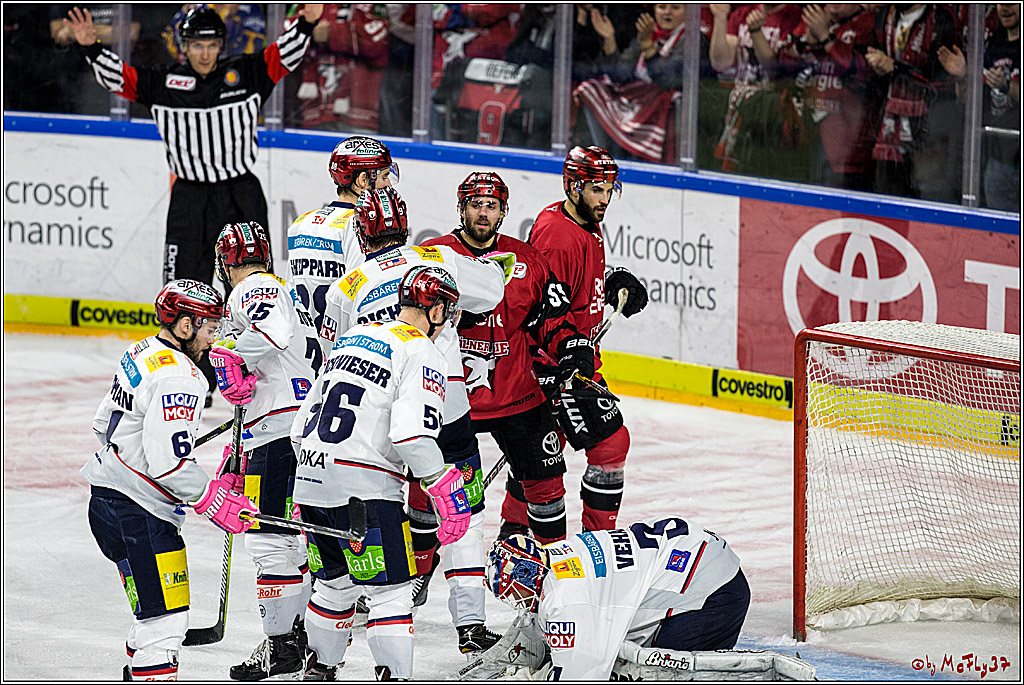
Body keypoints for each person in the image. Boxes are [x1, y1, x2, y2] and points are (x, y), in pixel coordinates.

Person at [317, 186, 508, 655]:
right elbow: (494, 290)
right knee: (467, 512)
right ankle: (470, 627)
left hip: (377, 418)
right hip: (445, 411)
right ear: (405, 223)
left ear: (361, 233)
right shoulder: (436, 258)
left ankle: (365, 593)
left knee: (378, 508)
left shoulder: (348, 287)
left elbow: (335, 355)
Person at [292, 266, 474, 681]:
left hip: (310, 481)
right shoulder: (422, 351)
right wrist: (444, 486)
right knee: (390, 594)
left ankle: (318, 670)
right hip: (365, 490)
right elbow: (411, 436)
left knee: (334, 588)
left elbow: (297, 427)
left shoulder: (352, 338)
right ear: (438, 310)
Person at [63, 4, 323, 289]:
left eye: (212, 45)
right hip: (190, 198)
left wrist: (306, 24)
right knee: (183, 288)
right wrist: (93, 49)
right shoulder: (163, 84)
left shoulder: (247, 73)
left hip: (240, 196)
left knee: (253, 287)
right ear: (184, 45)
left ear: (221, 45)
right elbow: (120, 78)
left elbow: (284, 55)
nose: (205, 54)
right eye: (197, 45)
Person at [81, 279, 259, 681]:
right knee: (165, 626)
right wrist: (213, 499)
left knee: (151, 612)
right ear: (184, 326)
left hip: (107, 501)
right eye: (209, 329)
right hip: (139, 515)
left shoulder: (141, 350)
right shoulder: (181, 378)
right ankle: (148, 662)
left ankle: (139, 663)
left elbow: (101, 424)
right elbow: (170, 466)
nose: (214, 340)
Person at [422, 172, 590, 550]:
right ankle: (416, 574)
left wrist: (571, 346)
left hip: (517, 394)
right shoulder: (433, 256)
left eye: (492, 206)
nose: (484, 213)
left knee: (547, 487)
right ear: (462, 208)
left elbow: (553, 319)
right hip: (450, 397)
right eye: (476, 204)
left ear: (503, 212)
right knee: (426, 489)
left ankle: (557, 577)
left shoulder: (529, 260)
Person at [209, 221, 321, 681]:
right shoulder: (286, 290)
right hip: (303, 429)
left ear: (225, 263)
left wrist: (230, 352)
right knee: (296, 540)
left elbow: (268, 336)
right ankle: (303, 635)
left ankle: (282, 648)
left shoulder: (252, 288)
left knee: (268, 540)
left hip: (279, 433)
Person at [527, 146, 648, 534]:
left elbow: (570, 289)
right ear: (573, 186)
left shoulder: (579, 222)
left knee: (543, 453)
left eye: (610, 189)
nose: (605, 199)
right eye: (597, 189)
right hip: (557, 365)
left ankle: (514, 532)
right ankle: (599, 540)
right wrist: (566, 354)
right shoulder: (558, 236)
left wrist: (609, 283)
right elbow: (542, 308)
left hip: (576, 358)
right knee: (609, 446)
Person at [484, 517, 750, 680]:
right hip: (695, 553)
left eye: (514, 591)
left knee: (661, 675)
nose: (516, 600)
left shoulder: (567, 600)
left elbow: (581, 677)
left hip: (714, 590)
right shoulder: (556, 553)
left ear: (528, 574)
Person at [287, 135, 397, 335]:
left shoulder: (300, 223)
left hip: (305, 350)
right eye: (384, 176)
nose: (389, 184)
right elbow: (364, 295)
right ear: (363, 180)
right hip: (342, 348)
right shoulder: (359, 225)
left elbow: (291, 295)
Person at [163, 3, 267, 62]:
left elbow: (254, 49)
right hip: (197, 76)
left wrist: (230, 21)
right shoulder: (196, 6)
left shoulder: (248, 7)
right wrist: (186, 24)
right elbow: (171, 45)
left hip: (234, 75)